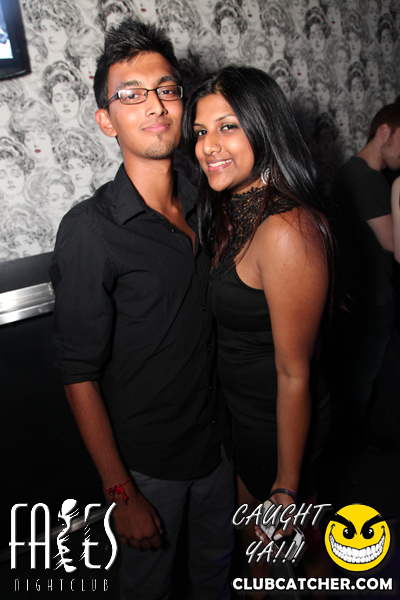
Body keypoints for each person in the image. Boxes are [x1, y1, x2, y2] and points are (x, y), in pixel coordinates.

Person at [50, 19, 234, 600]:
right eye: (130, 94)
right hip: (148, 469)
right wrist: (120, 494)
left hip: (220, 449)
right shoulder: (90, 231)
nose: (154, 105)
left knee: (218, 577)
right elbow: (77, 372)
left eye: (167, 89)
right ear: (106, 120)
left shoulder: (210, 201)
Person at [182, 65, 332, 580]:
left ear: (263, 126)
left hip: (279, 428)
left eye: (227, 127)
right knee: (258, 564)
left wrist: (286, 487)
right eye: (200, 131)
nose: (208, 146)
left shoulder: (286, 229)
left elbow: (294, 373)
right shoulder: (231, 209)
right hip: (243, 421)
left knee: (292, 563)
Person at [330, 103, 400, 446]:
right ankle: (353, 447)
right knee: (364, 378)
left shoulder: (351, 170)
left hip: (362, 292)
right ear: (384, 131)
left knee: (384, 372)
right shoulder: (366, 178)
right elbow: (392, 243)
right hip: (373, 295)